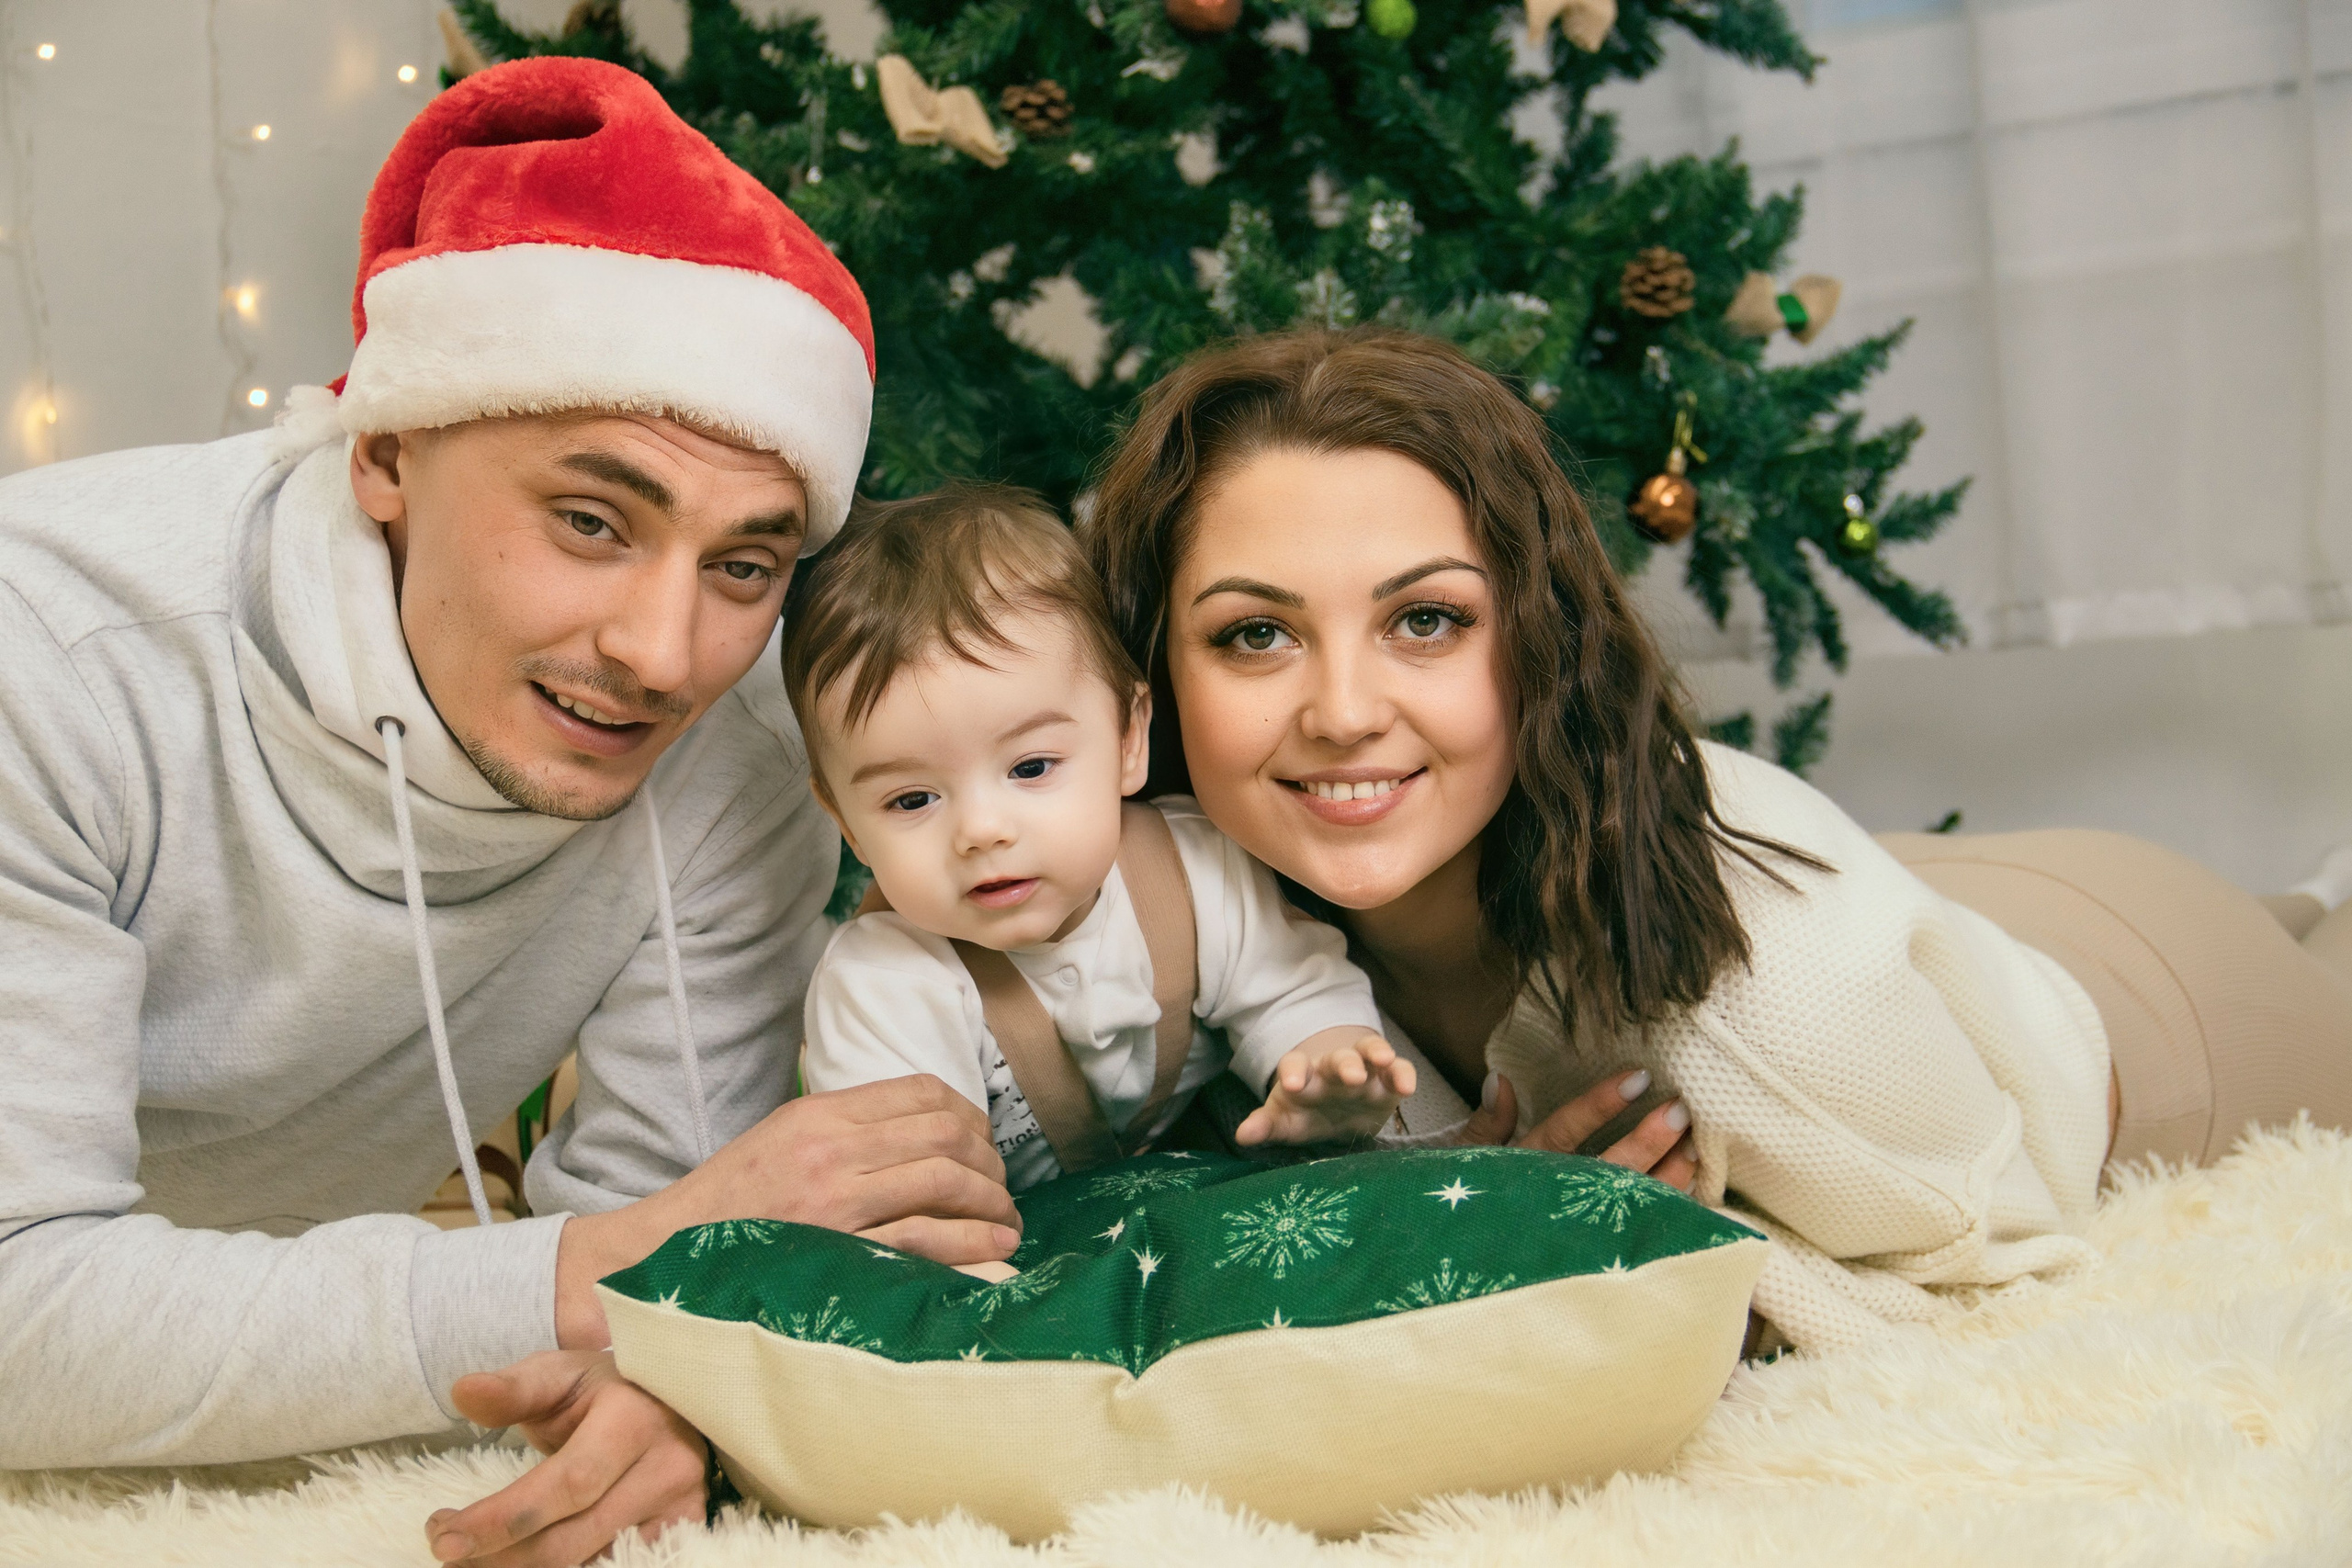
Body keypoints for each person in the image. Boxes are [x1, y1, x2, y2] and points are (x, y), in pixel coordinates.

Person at [0, 57, 1020, 1565]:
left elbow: (662, 1258)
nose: (661, 654)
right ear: (388, 453)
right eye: (591, 521)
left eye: (745, 563)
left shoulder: (738, 754)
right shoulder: (50, 659)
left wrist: (660, 1377)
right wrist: (613, 1271)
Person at [1081, 327, 2352, 1353]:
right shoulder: (1172, 896)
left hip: (2159, 997)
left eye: (1426, 619)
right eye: (1255, 633)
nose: (1344, 713)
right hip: (1916, 897)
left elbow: (2015, 1257)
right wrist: (1450, 1203)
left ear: (1537, 638)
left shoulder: (1761, 1005)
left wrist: (1694, 1264)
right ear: (1154, 685)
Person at [785, 486, 1417, 1192]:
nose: (982, 831)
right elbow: (914, 1195)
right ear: (846, 822)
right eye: (912, 799)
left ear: (1126, 739)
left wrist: (1324, 1065)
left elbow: (1295, 988)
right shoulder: (884, 985)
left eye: (1031, 767)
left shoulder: (1193, 870)